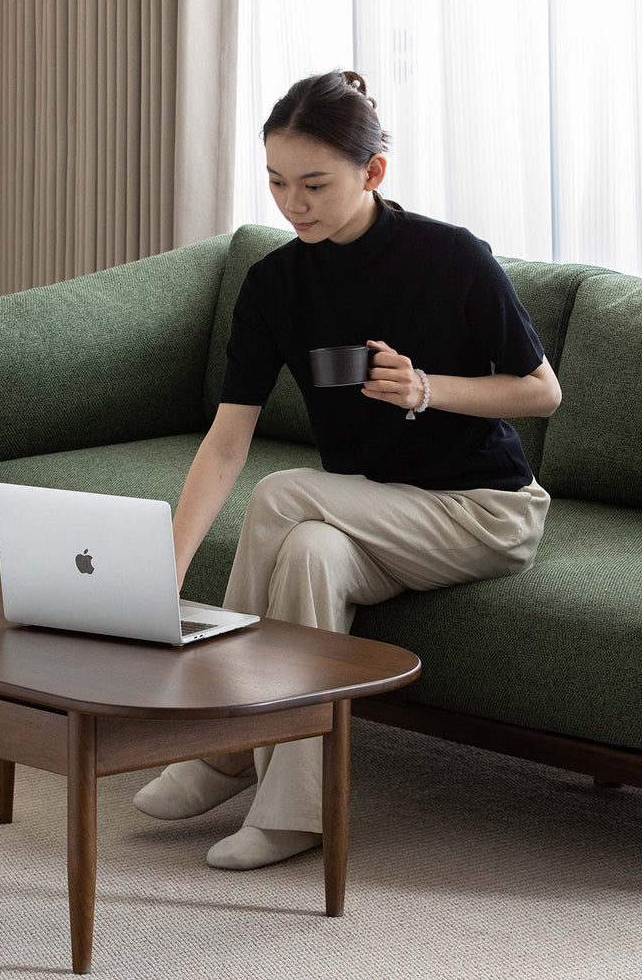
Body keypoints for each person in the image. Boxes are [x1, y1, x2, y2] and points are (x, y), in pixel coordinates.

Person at [132, 69, 562, 871]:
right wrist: (164, 576)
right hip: (365, 512)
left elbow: (543, 391)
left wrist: (430, 388)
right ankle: (296, 811)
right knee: (309, 553)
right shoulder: (274, 285)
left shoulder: (451, 257)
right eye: (276, 182)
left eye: (315, 184)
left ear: (373, 172)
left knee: (284, 492)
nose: (293, 204)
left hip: (483, 511)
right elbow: (228, 440)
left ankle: (222, 743)